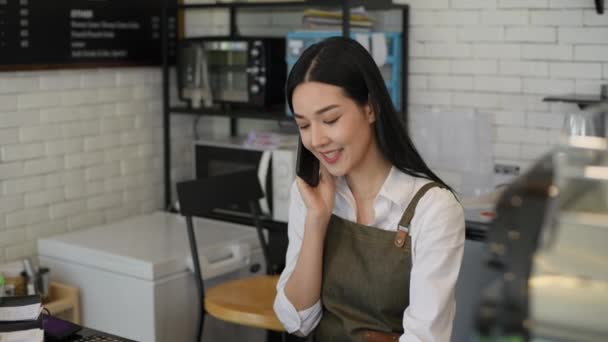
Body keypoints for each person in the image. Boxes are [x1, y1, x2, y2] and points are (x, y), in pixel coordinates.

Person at [273, 36, 465, 342]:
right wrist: (317, 220)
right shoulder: (311, 195)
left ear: (371, 108)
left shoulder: (434, 209)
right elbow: (297, 320)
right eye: (304, 125)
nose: (317, 140)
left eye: (330, 119)